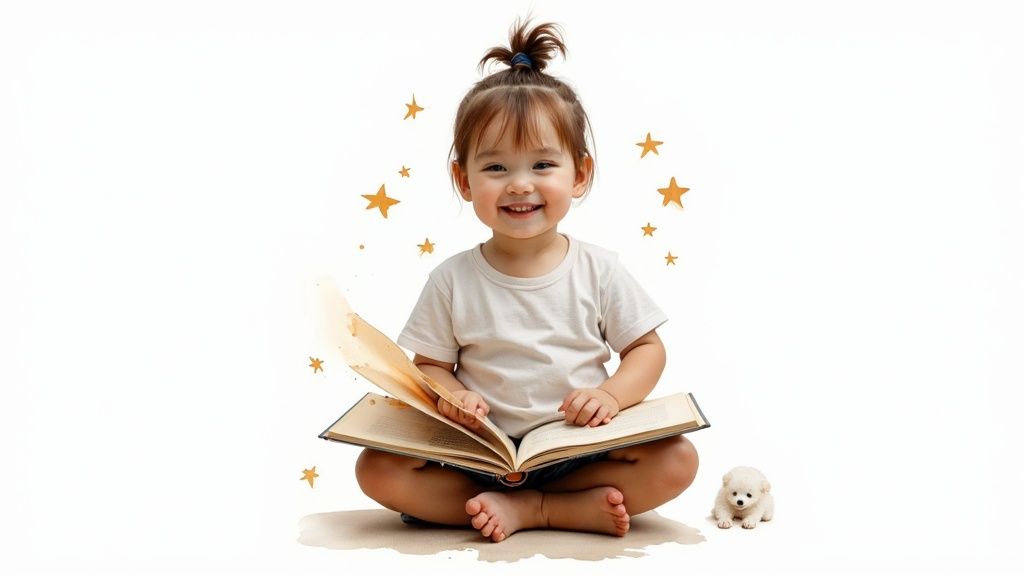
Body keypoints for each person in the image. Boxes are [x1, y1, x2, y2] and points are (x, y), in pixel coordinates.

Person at [354, 19, 698, 543]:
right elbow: (428, 366)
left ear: (579, 174)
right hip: (479, 453)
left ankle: (540, 507)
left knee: (677, 459)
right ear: (463, 180)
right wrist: (452, 397)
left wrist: (609, 395)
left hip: (579, 449)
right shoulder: (452, 278)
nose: (520, 185)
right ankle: (541, 507)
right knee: (375, 468)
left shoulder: (599, 269)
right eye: (495, 168)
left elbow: (647, 349)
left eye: (542, 164)